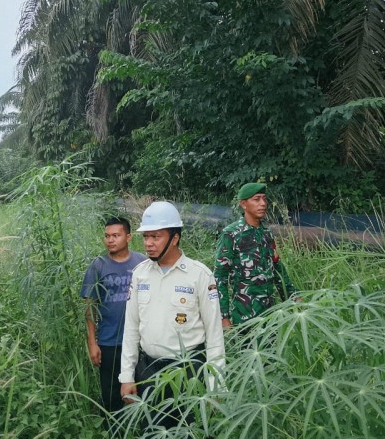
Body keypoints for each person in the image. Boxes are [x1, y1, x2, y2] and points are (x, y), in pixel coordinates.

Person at [119, 201, 225, 429]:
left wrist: (215, 386)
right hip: (148, 372)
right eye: (146, 237)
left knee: (187, 431)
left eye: (155, 237)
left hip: (188, 374)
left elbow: (215, 337)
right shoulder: (140, 275)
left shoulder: (200, 276)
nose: (148, 243)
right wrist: (126, 376)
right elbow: (131, 328)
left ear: (174, 238)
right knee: (152, 432)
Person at [80, 216, 146, 414]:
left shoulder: (142, 262)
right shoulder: (98, 265)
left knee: (140, 390)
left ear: (128, 237)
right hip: (110, 341)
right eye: (107, 236)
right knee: (111, 394)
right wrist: (93, 342)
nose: (110, 240)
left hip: (140, 340)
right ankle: (112, 428)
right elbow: (90, 306)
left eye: (116, 235)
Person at [214, 182, 297, 329]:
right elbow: (220, 276)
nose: (263, 204)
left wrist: (292, 296)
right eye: (257, 199)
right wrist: (223, 316)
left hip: (270, 314)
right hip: (244, 317)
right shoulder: (231, 234)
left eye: (264, 199)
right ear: (243, 204)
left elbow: (277, 268)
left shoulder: (266, 234)